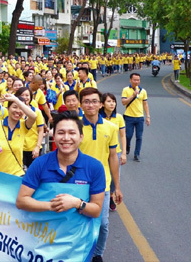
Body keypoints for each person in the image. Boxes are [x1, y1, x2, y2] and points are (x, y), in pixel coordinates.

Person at [16, 111, 105, 220]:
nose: (66, 138)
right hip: (43, 235)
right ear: (54, 136)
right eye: (61, 133)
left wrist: (77, 203)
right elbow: (21, 201)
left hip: (78, 236)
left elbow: (96, 210)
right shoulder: (40, 163)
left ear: (81, 137)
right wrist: (52, 206)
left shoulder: (95, 167)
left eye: (72, 133)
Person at [79, 87, 122, 262]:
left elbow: (113, 157)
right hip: (78, 182)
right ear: (81, 104)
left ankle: (98, 254)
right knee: (79, 221)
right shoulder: (75, 126)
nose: (91, 105)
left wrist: (117, 187)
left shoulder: (111, 128)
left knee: (103, 223)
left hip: (102, 183)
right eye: (86, 101)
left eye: (94, 101)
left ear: (101, 104)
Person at [0, 93, 37, 176]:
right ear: (8, 108)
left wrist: (15, 100)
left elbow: (34, 116)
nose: (18, 111)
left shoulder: (23, 126)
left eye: (20, 108)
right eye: (14, 107)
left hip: (16, 174)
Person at [100, 92, 127, 212]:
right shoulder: (98, 118)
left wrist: (124, 153)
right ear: (102, 104)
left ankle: (110, 196)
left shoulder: (119, 117)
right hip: (101, 152)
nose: (112, 104)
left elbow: (122, 135)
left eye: (113, 101)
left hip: (115, 153)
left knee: (114, 177)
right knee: (103, 176)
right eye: (109, 101)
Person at [121, 73, 150, 162]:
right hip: (129, 117)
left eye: (138, 80)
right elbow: (123, 102)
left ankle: (137, 154)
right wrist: (133, 95)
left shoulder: (143, 91)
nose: (136, 82)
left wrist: (148, 116)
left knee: (139, 136)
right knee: (128, 135)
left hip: (139, 117)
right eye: (135, 80)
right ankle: (127, 146)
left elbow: (145, 104)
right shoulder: (126, 90)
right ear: (130, 80)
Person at [14, 87, 46, 168]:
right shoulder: (14, 112)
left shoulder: (37, 112)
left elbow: (41, 130)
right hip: (18, 148)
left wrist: (37, 147)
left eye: (27, 95)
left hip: (33, 148)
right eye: (22, 95)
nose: (25, 97)